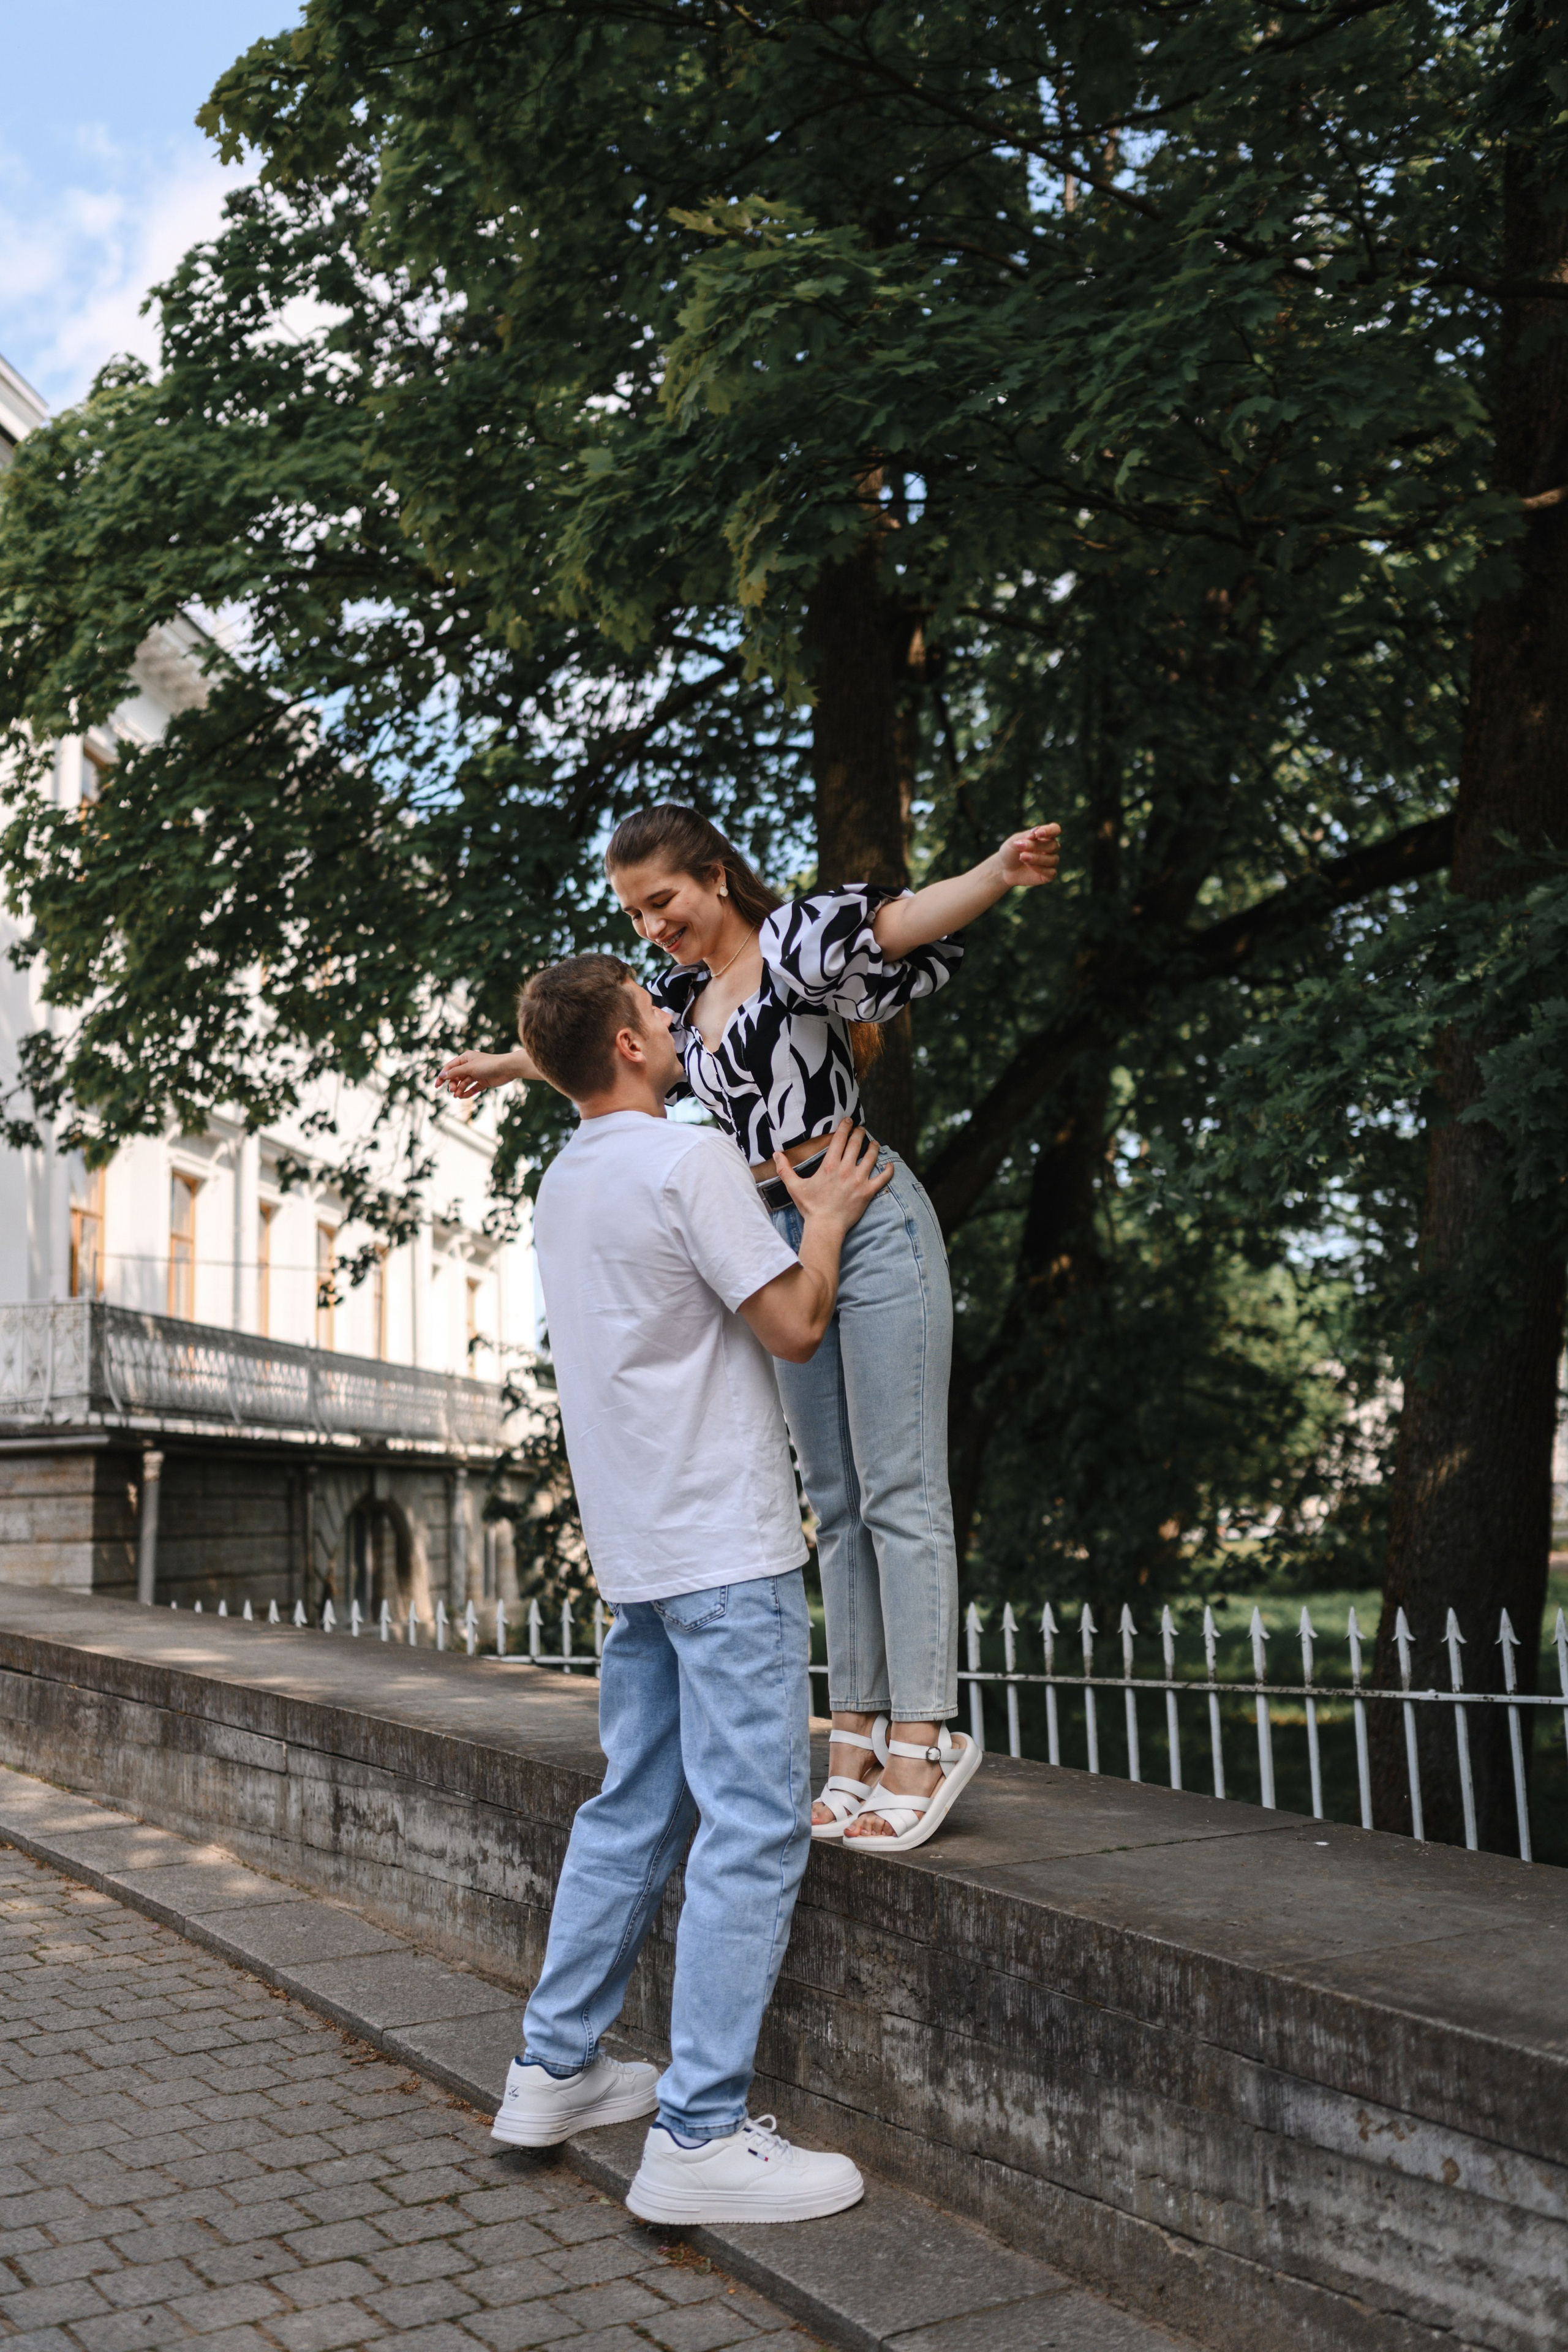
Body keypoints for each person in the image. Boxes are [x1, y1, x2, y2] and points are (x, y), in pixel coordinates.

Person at [442, 807, 1060, 1849]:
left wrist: (995, 872)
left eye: (663, 901)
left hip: (862, 1214)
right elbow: (603, 1051)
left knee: (901, 1485)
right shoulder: (677, 1000)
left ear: (716, 878)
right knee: (836, 1498)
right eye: (634, 914)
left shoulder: (795, 946)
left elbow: (903, 926)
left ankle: (927, 1732)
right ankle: (856, 1736)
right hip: (778, 1234)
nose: (651, 927)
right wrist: (510, 1066)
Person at [487, 951, 889, 2223]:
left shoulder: (564, 1179)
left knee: (631, 1807)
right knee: (757, 1821)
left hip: (639, 1550)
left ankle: (550, 2073)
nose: (673, 1021)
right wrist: (819, 1222)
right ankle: (700, 2135)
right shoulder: (683, 1160)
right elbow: (791, 1326)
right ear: (624, 1043)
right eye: (655, 1014)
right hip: (723, 1543)